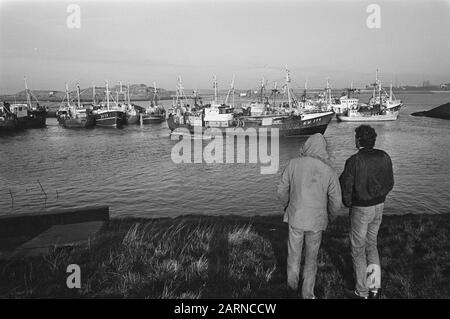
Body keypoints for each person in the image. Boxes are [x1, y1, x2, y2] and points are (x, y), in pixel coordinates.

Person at [277, 133, 342, 299]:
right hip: (317, 220)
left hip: (296, 217)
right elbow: (336, 201)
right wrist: (330, 216)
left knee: (294, 254)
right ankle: (307, 293)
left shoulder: (292, 164)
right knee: (312, 258)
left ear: (307, 145)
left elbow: (281, 191)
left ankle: (291, 288)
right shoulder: (328, 171)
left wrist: (288, 206)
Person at [339, 125, 394, 299]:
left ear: (359, 140)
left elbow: (345, 185)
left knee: (358, 249)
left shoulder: (354, 160)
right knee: (371, 245)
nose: (354, 140)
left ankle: (361, 291)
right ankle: (374, 288)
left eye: (355, 137)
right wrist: (380, 196)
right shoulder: (384, 156)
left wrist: (349, 203)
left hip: (361, 207)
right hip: (379, 206)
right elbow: (390, 182)